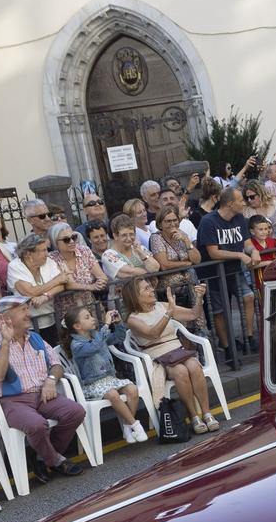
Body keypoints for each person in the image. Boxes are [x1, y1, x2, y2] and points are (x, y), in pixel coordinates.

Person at [0, 297, 91, 471]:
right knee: (36, 424)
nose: (29, 314)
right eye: (23, 310)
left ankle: (41, 456)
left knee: (75, 412)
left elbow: (56, 365)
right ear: (5, 318)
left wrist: (51, 380)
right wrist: (6, 342)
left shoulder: (35, 338)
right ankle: (55, 461)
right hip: (10, 401)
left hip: (41, 394)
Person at [122, 274, 220, 433]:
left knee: (194, 365)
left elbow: (193, 314)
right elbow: (153, 334)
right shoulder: (133, 319)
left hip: (177, 351)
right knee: (181, 371)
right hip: (158, 358)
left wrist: (199, 298)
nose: (152, 290)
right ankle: (194, 416)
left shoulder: (162, 306)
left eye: (150, 287)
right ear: (135, 296)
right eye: (146, 288)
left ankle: (207, 413)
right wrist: (169, 313)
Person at [66, 303, 146, 443]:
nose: (92, 319)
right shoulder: (76, 345)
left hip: (110, 378)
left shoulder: (97, 334)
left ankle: (127, 426)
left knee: (132, 389)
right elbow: (94, 347)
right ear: (77, 326)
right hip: (93, 384)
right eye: (87, 317)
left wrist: (119, 323)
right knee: (113, 394)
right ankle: (136, 425)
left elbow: (119, 338)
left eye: (91, 316)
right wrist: (106, 324)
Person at [195, 187, 253, 351]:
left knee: (248, 297)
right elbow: (213, 252)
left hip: (234, 271)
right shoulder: (208, 221)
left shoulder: (240, 218)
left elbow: (247, 244)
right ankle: (227, 347)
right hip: (213, 275)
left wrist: (253, 252)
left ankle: (249, 337)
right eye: (241, 200)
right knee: (219, 311)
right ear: (230, 204)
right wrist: (240, 255)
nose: (244, 203)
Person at [46, 220, 109, 330]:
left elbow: (101, 275)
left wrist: (100, 282)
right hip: (69, 314)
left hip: (90, 308)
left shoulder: (84, 251)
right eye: (66, 239)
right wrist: (91, 287)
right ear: (55, 242)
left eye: (73, 237)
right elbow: (69, 284)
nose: (71, 241)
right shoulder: (52, 259)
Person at [5, 232, 66, 335]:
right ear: (28, 253)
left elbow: (62, 285)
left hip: (51, 318)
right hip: (27, 324)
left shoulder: (49, 262)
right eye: (43, 250)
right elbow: (29, 292)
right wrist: (56, 280)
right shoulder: (15, 266)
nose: (47, 253)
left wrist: (45, 296)